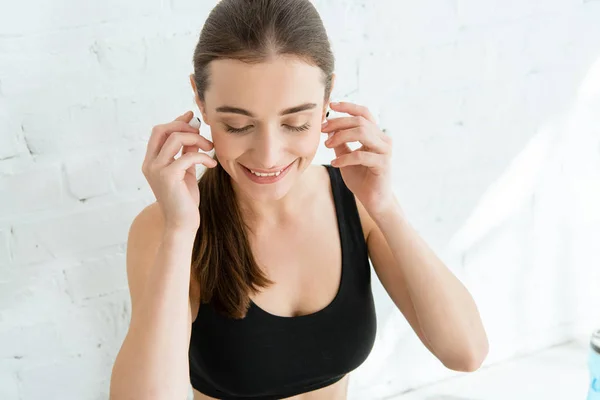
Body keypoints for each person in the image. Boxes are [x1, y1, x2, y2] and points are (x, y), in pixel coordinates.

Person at [109, 0, 489, 399]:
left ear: (327, 102)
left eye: (296, 123)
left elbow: (466, 352)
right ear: (200, 103)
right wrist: (180, 231)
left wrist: (385, 208)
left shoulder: (356, 204)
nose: (269, 155)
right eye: (238, 125)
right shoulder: (165, 228)